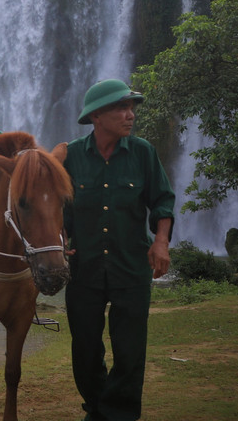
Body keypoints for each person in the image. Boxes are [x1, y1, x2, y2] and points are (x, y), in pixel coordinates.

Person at [63, 79, 175, 421]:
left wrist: (160, 241)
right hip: (83, 268)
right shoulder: (70, 157)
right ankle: (97, 407)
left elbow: (162, 201)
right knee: (84, 349)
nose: (130, 115)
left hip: (130, 267)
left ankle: (118, 414)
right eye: (121, 108)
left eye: (131, 109)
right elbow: (50, 205)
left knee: (129, 351)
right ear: (97, 116)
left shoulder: (143, 152)